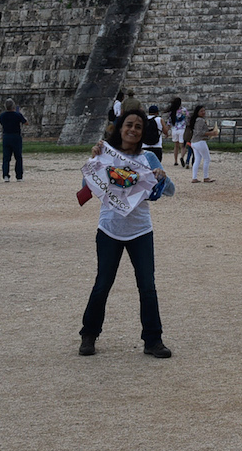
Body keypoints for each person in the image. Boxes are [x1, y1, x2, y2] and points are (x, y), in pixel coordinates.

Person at [78, 108, 173, 359]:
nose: (132, 130)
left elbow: (170, 191)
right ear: (120, 127)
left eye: (138, 127)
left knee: (147, 286)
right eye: (128, 124)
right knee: (102, 284)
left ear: (143, 133)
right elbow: (86, 187)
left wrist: (161, 177)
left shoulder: (148, 158)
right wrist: (94, 160)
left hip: (140, 230)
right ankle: (88, 334)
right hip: (109, 228)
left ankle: (153, 339)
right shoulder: (106, 155)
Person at [0, 97, 28, 181]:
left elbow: (1, 122)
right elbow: (26, 123)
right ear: (13, 106)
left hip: (6, 136)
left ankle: (5, 176)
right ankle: (19, 176)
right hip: (16, 136)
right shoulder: (17, 115)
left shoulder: (2, 115)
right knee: (18, 157)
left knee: (6, 158)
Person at [186, 104, 216, 183]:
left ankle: (194, 177)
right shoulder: (200, 120)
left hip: (194, 142)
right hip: (200, 141)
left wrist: (210, 131)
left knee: (197, 160)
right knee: (207, 159)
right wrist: (211, 133)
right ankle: (206, 177)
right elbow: (200, 132)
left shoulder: (196, 120)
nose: (203, 112)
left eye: (204, 111)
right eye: (201, 111)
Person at [165, 97, 187, 166]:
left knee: (176, 146)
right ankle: (182, 157)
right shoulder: (184, 110)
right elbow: (187, 119)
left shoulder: (172, 112)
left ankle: (175, 161)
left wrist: (166, 132)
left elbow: (169, 123)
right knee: (182, 146)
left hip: (174, 129)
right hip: (182, 129)